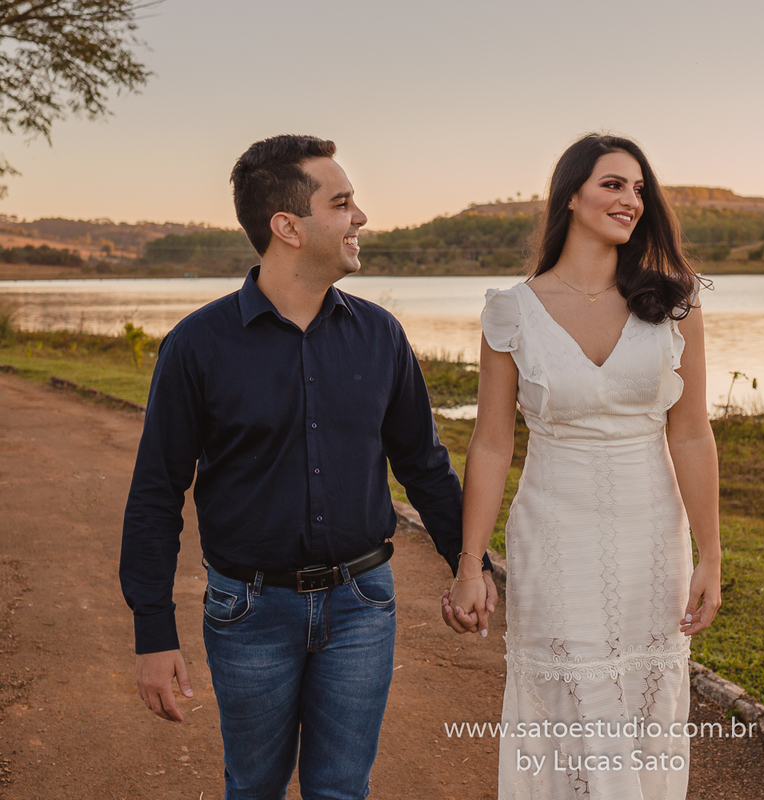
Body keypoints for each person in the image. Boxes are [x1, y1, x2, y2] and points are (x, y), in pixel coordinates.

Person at [120, 134, 497, 799]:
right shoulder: (195, 348)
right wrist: (153, 633)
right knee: (255, 788)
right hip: (248, 610)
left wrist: (470, 566)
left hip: (362, 607)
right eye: (343, 203)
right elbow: (156, 494)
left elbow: (424, 464)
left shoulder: (381, 335)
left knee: (341, 791)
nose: (361, 218)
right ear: (287, 226)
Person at [443, 133, 721, 799]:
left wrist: (710, 553)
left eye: (638, 188)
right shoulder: (511, 311)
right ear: (571, 194)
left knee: (644, 704)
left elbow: (690, 433)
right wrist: (470, 562)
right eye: (613, 184)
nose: (631, 199)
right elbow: (490, 443)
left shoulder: (676, 302)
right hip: (555, 532)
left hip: (652, 534)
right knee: (567, 697)